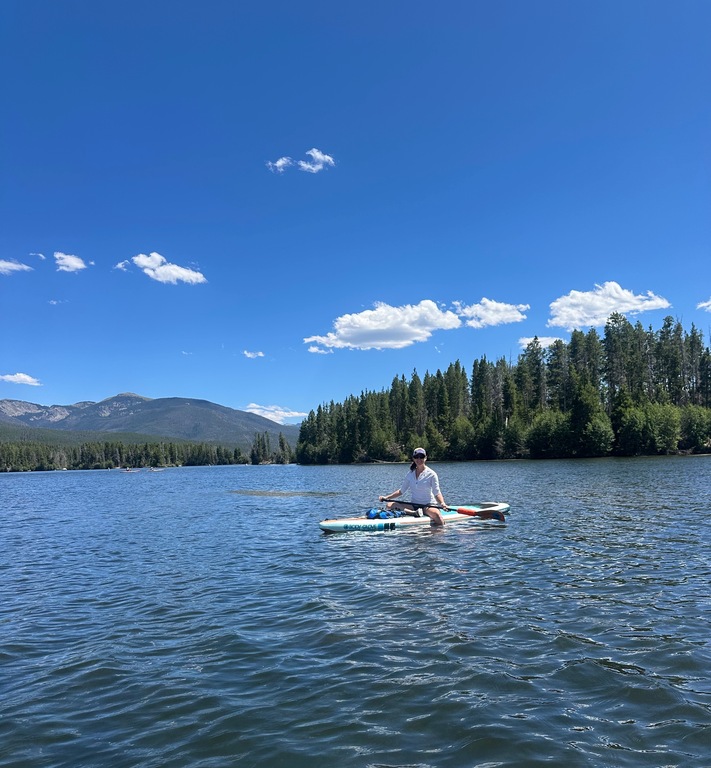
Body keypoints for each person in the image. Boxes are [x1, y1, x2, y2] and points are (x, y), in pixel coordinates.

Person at [379, 447, 449, 526]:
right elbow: (401, 491)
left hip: (427, 506)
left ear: (425, 458)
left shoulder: (432, 474)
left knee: (438, 517)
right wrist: (387, 497)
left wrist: (442, 503)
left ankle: (440, 534)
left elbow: (437, 493)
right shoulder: (410, 474)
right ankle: (413, 513)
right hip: (413, 505)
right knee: (389, 505)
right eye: (416, 457)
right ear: (413, 459)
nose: (419, 459)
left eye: (421, 457)